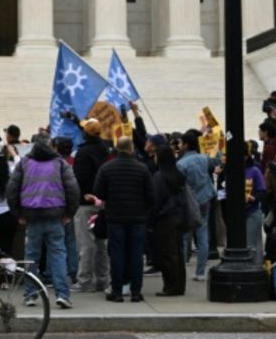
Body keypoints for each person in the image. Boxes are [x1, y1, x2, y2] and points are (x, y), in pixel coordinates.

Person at [6, 133, 79, 309]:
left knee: (32, 256)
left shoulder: (24, 163)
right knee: (58, 254)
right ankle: (62, 294)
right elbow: (73, 188)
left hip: (32, 216)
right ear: (51, 145)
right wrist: (70, 212)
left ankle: (30, 294)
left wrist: (18, 213)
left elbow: (12, 189)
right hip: (55, 215)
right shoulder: (60, 163)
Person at [90, 136, 155, 303]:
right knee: (136, 254)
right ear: (131, 148)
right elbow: (151, 195)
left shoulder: (107, 168)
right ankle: (136, 292)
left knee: (117, 254)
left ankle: (117, 291)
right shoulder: (142, 169)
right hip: (137, 217)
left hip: (115, 217)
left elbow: (99, 192)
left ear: (117, 148)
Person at [70, 118, 110, 293]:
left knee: (86, 243)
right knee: (101, 242)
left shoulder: (83, 153)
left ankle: (84, 279)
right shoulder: (105, 149)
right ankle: (102, 278)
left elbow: (79, 178)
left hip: (86, 202)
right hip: (102, 201)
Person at [148, 142, 189, 297]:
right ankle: (179, 285)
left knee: (167, 253)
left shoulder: (159, 177)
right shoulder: (177, 175)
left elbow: (156, 200)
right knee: (177, 252)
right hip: (179, 216)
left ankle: (170, 286)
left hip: (165, 219)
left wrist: (150, 221)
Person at [176, 131, 215, 282]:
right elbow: (218, 160)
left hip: (188, 202)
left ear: (186, 144)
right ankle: (200, 271)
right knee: (202, 234)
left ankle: (183, 266)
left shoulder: (181, 164)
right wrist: (211, 138)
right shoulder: (204, 159)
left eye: (181, 143)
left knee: (185, 235)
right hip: (204, 199)